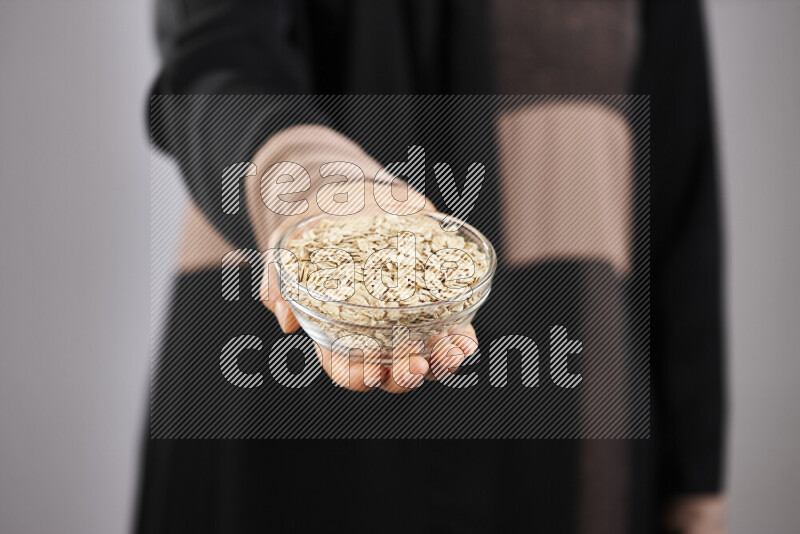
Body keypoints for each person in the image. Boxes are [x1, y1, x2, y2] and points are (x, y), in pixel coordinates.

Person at [138, 1, 725, 532]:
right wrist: (313, 183)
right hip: (273, 392)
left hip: (567, 407)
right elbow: (213, 57)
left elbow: (676, 185)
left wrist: (694, 480)